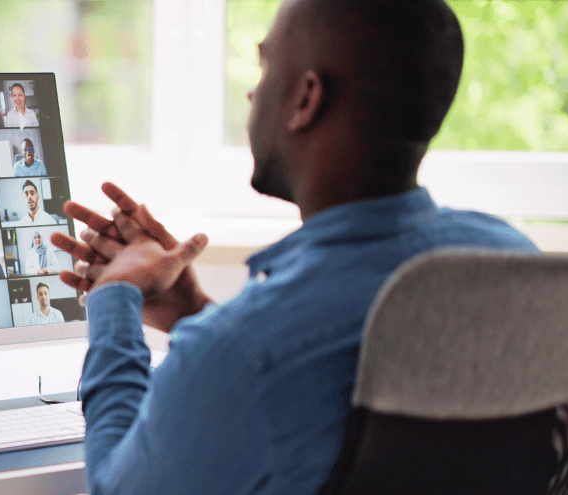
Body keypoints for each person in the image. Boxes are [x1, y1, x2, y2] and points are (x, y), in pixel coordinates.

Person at [52, 1, 539, 492]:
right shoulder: (512, 259)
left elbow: (116, 488)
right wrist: (192, 311)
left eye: (265, 67)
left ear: (306, 99)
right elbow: (322, 403)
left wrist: (115, 297)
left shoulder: (244, 351)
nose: (251, 91)